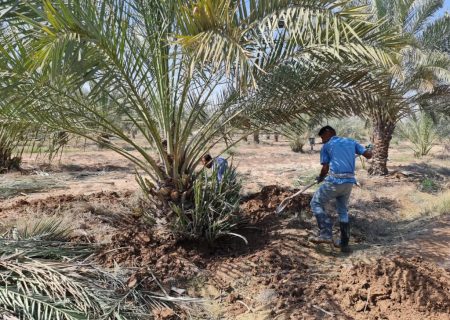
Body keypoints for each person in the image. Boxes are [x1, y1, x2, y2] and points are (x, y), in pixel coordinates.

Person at [310, 126, 372, 252]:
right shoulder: (351, 142)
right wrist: (370, 148)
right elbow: (369, 155)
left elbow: (325, 168)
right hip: (348, 183)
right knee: (343, 211)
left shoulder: (327, 146)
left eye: (323, 137)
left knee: (315, 202)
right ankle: (344, 243)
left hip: (335, 182)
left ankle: (326, 233)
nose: (323, 140)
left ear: (328, 133)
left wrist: (321, 177)